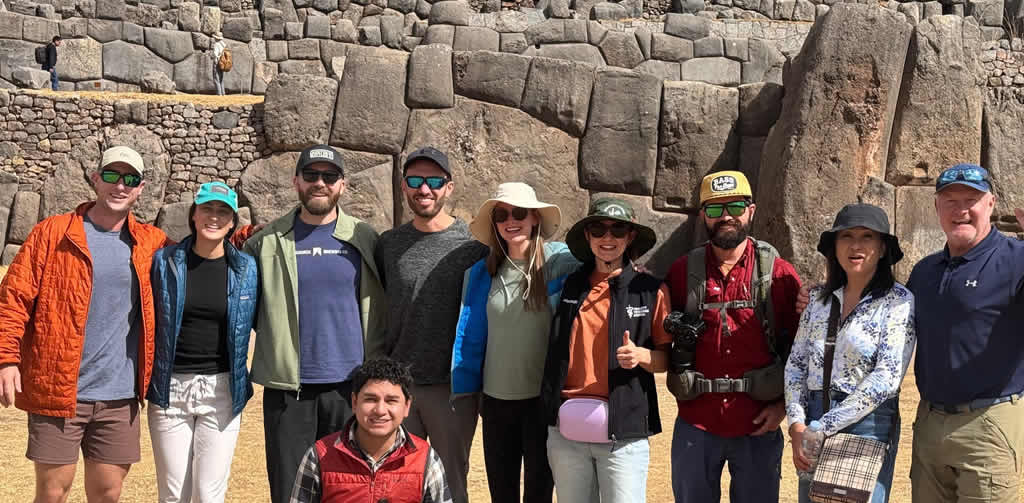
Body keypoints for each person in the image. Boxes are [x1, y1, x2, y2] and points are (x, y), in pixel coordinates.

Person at [792, 164, 1024, 502]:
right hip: (930, 423)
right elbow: (871, 309)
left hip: (988, 421)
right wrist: (823, 295)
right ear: (936, 208)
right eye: (950, 201)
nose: (961, 210)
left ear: (991, 203)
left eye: (971, 199)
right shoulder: (925, 272)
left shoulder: (1017, 261)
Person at [0, 146, 170, 503]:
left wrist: (246, 235)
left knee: (108, 494)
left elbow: (198, 254)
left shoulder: (150, 242)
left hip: (119, 396)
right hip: (59, 391)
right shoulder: (52, 233)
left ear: (140, 188)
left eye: (130, 179)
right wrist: (7, 358)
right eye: (111, 176)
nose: (119, 186)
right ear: (95, 179)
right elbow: (13, 298)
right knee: (52, 493)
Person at [242, 144, 387, 503]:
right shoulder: (266, 242)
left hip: (350, 387)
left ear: (343, 185)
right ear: (296, 182)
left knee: (348, 490)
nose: (319, 183)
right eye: (311, 175)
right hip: (288, 389)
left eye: (329, 176)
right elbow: (245, 309)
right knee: (290, 490)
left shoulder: (364, 239)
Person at [664, 170, 802, 503]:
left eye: (735, 206)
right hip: (696, 424)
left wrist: (783, 406)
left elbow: (802, 351)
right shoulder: (683, 271)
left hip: (758, 425)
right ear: (703, 217)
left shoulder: (778, 274)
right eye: (715, 209)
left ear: (751, 210)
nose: (726, 216)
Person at [373, 146, 488, 503]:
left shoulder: (473, 246)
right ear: (404, 186)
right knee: (398, 480)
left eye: (434, 180)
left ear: (449, 187)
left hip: (452, 390)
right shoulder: (388, 245)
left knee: (451, 482)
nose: (425, 189)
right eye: (416, 180)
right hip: (398, 387)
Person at [538, 197, 672, 503]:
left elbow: (667, 358)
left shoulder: (651, 291)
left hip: (623, 436)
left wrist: (643, 356)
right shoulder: (569, 285)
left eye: (618, 230)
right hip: (566, 434)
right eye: (598, 229)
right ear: (587, 236)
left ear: (631, 236)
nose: (607, 238)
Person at [452, 182, 578, 503]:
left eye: (520, 212)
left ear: (535, 218)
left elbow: (601, 262)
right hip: (495, 403)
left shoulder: (558, 263)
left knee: (538, 492)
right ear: (494, 223)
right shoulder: (481, 273)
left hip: (541, 402)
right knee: (502, 492)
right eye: (502, 214)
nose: (511, 220)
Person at [785, 203, 915, 503]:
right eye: (847, 236)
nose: (856, 246)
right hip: (812, 417)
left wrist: (824, 426)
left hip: (865, 422)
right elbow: (796, 365)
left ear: (882, 248)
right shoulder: (818, 300)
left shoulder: (897, 302)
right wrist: (797, 424)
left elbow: (887, 377)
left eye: (867, 236)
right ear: (835, 246)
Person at [146, 182, 259, 503]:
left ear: (233, 222)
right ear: (193, 215)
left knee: (209, 495)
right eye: (206, 209)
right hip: (170, 391)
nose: (214, 217)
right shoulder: (164, 262)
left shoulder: (246, 269)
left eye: (223, 211)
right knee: (173, 495)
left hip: (222, 392)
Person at [289, 358, 452, 503]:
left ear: (407, 406)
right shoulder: (319, 456)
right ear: (354, 402)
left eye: (391, 401)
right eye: (370, 399)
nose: (380, 410)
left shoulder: (425, 459)